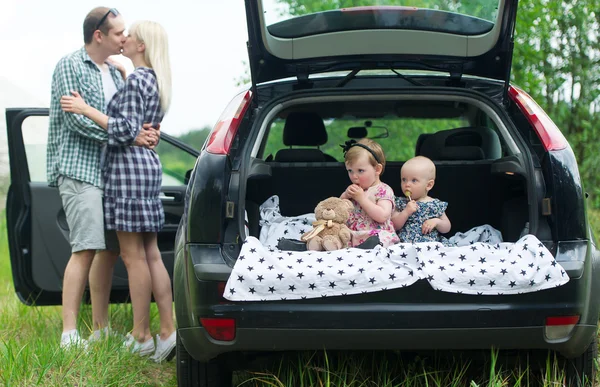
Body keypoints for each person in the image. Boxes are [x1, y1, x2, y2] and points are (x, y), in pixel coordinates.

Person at [61, 19, 176, 363]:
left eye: (130, 36)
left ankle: (141, 335)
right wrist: (126, 73)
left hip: (127, 172)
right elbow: (137, 121)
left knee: (133, 256)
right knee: (151, 253)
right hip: (147, 169)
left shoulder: (136, 81)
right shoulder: (152, 78)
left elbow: (125, 128)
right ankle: (168, 332)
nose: (124, 39)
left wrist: (86, 109)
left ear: (141, 46)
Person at [340, 139, 400, 248]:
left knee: (381, 239)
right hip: (353, 234)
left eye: (360, 171)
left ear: (377, 169)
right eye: (350, 171)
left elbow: (382, 216)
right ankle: (316, 242)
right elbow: (339, 211)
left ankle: (369, 246)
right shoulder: (354, 190)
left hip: (375, 234)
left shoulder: (384, 190)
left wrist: (362, 199)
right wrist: (345, 196)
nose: (354, 176)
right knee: (337, 233)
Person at [392, 156, 452, 244]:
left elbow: (447, 228)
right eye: (404, 179)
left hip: (430, 245)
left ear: (429, 185)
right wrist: (406, 212)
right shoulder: (401, 203)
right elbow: (394, 225)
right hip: (406, 245)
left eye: (414, 180)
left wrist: (437, 222)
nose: (407, 184)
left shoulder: (435, 204)